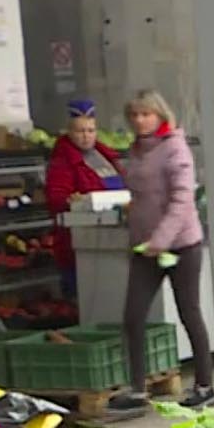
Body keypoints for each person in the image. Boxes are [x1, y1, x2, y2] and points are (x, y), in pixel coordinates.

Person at [112, 90, 213, 411]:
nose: (140, 121)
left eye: (146, 114)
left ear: (160, 115)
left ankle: (204, 384)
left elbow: (183, 200)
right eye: (135, 116)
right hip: (145, 248)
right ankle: (138, 388)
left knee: (190, 312)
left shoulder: (175, 149)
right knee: (133, 316)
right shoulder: (137, 150)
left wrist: (161, 239)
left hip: (181, 245)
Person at [44, 99, 124, 296]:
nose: (86, 136)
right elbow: (56, 198)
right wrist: (74, 201)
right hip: (80, 241)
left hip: (112, 232)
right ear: (69, 132)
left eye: (90, 130)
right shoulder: (62, 161)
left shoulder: (105, 156)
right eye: (80, 131)